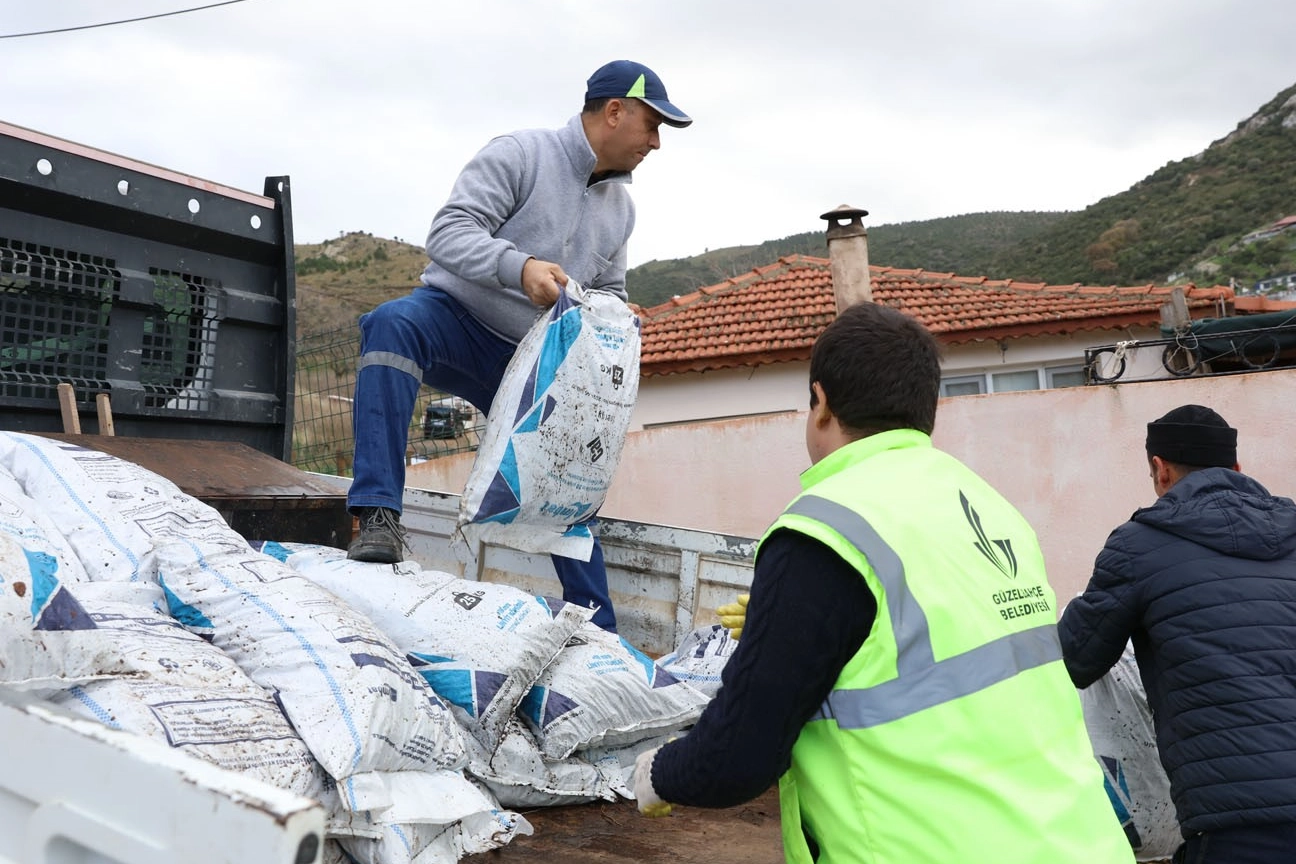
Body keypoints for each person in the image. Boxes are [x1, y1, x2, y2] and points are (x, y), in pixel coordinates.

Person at [632, 301, 1133, 864]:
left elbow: (737, 758)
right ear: (925, 408)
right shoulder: (987, 505)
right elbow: (941, 645)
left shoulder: (825, 528)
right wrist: (809, 628)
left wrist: (657, 774)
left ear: (820, 403)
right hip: (1080, 843)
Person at [344, 60, 692, 632]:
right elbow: (449, 232)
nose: (655, 143)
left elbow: (609, 287)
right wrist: (519, 266)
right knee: (391, 324)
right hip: (454, 317)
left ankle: (595, 624)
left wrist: (613, 313)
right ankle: (378, 516)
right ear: (614, 111)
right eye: (652, 125)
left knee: (570, 469)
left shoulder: (621, 210)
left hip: (532, 357)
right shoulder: (521, 154)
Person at [1059, 405, 1296, 863]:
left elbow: (1073, 659)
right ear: (1237, 468)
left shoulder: (1139, 546)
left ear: (1160, 469)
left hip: (1236, 825)